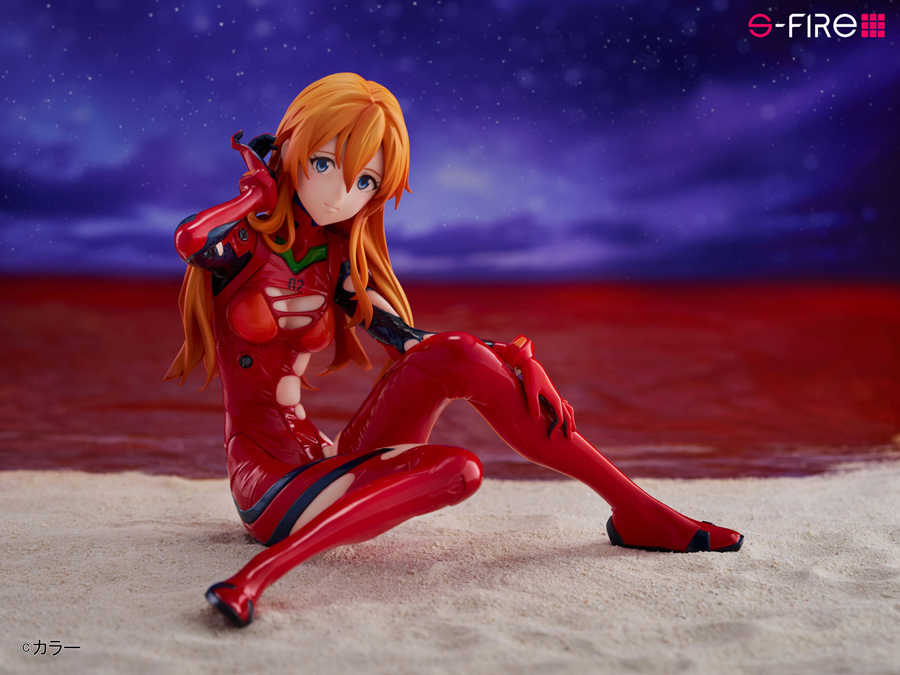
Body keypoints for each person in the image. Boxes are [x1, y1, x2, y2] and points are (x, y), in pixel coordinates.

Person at [167, 72, 743, 628]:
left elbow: (412, 342)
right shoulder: (241, 246)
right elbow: (191, 240)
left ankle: (637, 511)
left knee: (458, 351)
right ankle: (255, 577)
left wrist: (513, 359)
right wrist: (254, 194)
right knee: (458, 470)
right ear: (288, 149)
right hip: (266, 476)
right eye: (324, 165)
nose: (342, 196)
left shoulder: (335, 259)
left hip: (323, 459)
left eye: (365, 182)